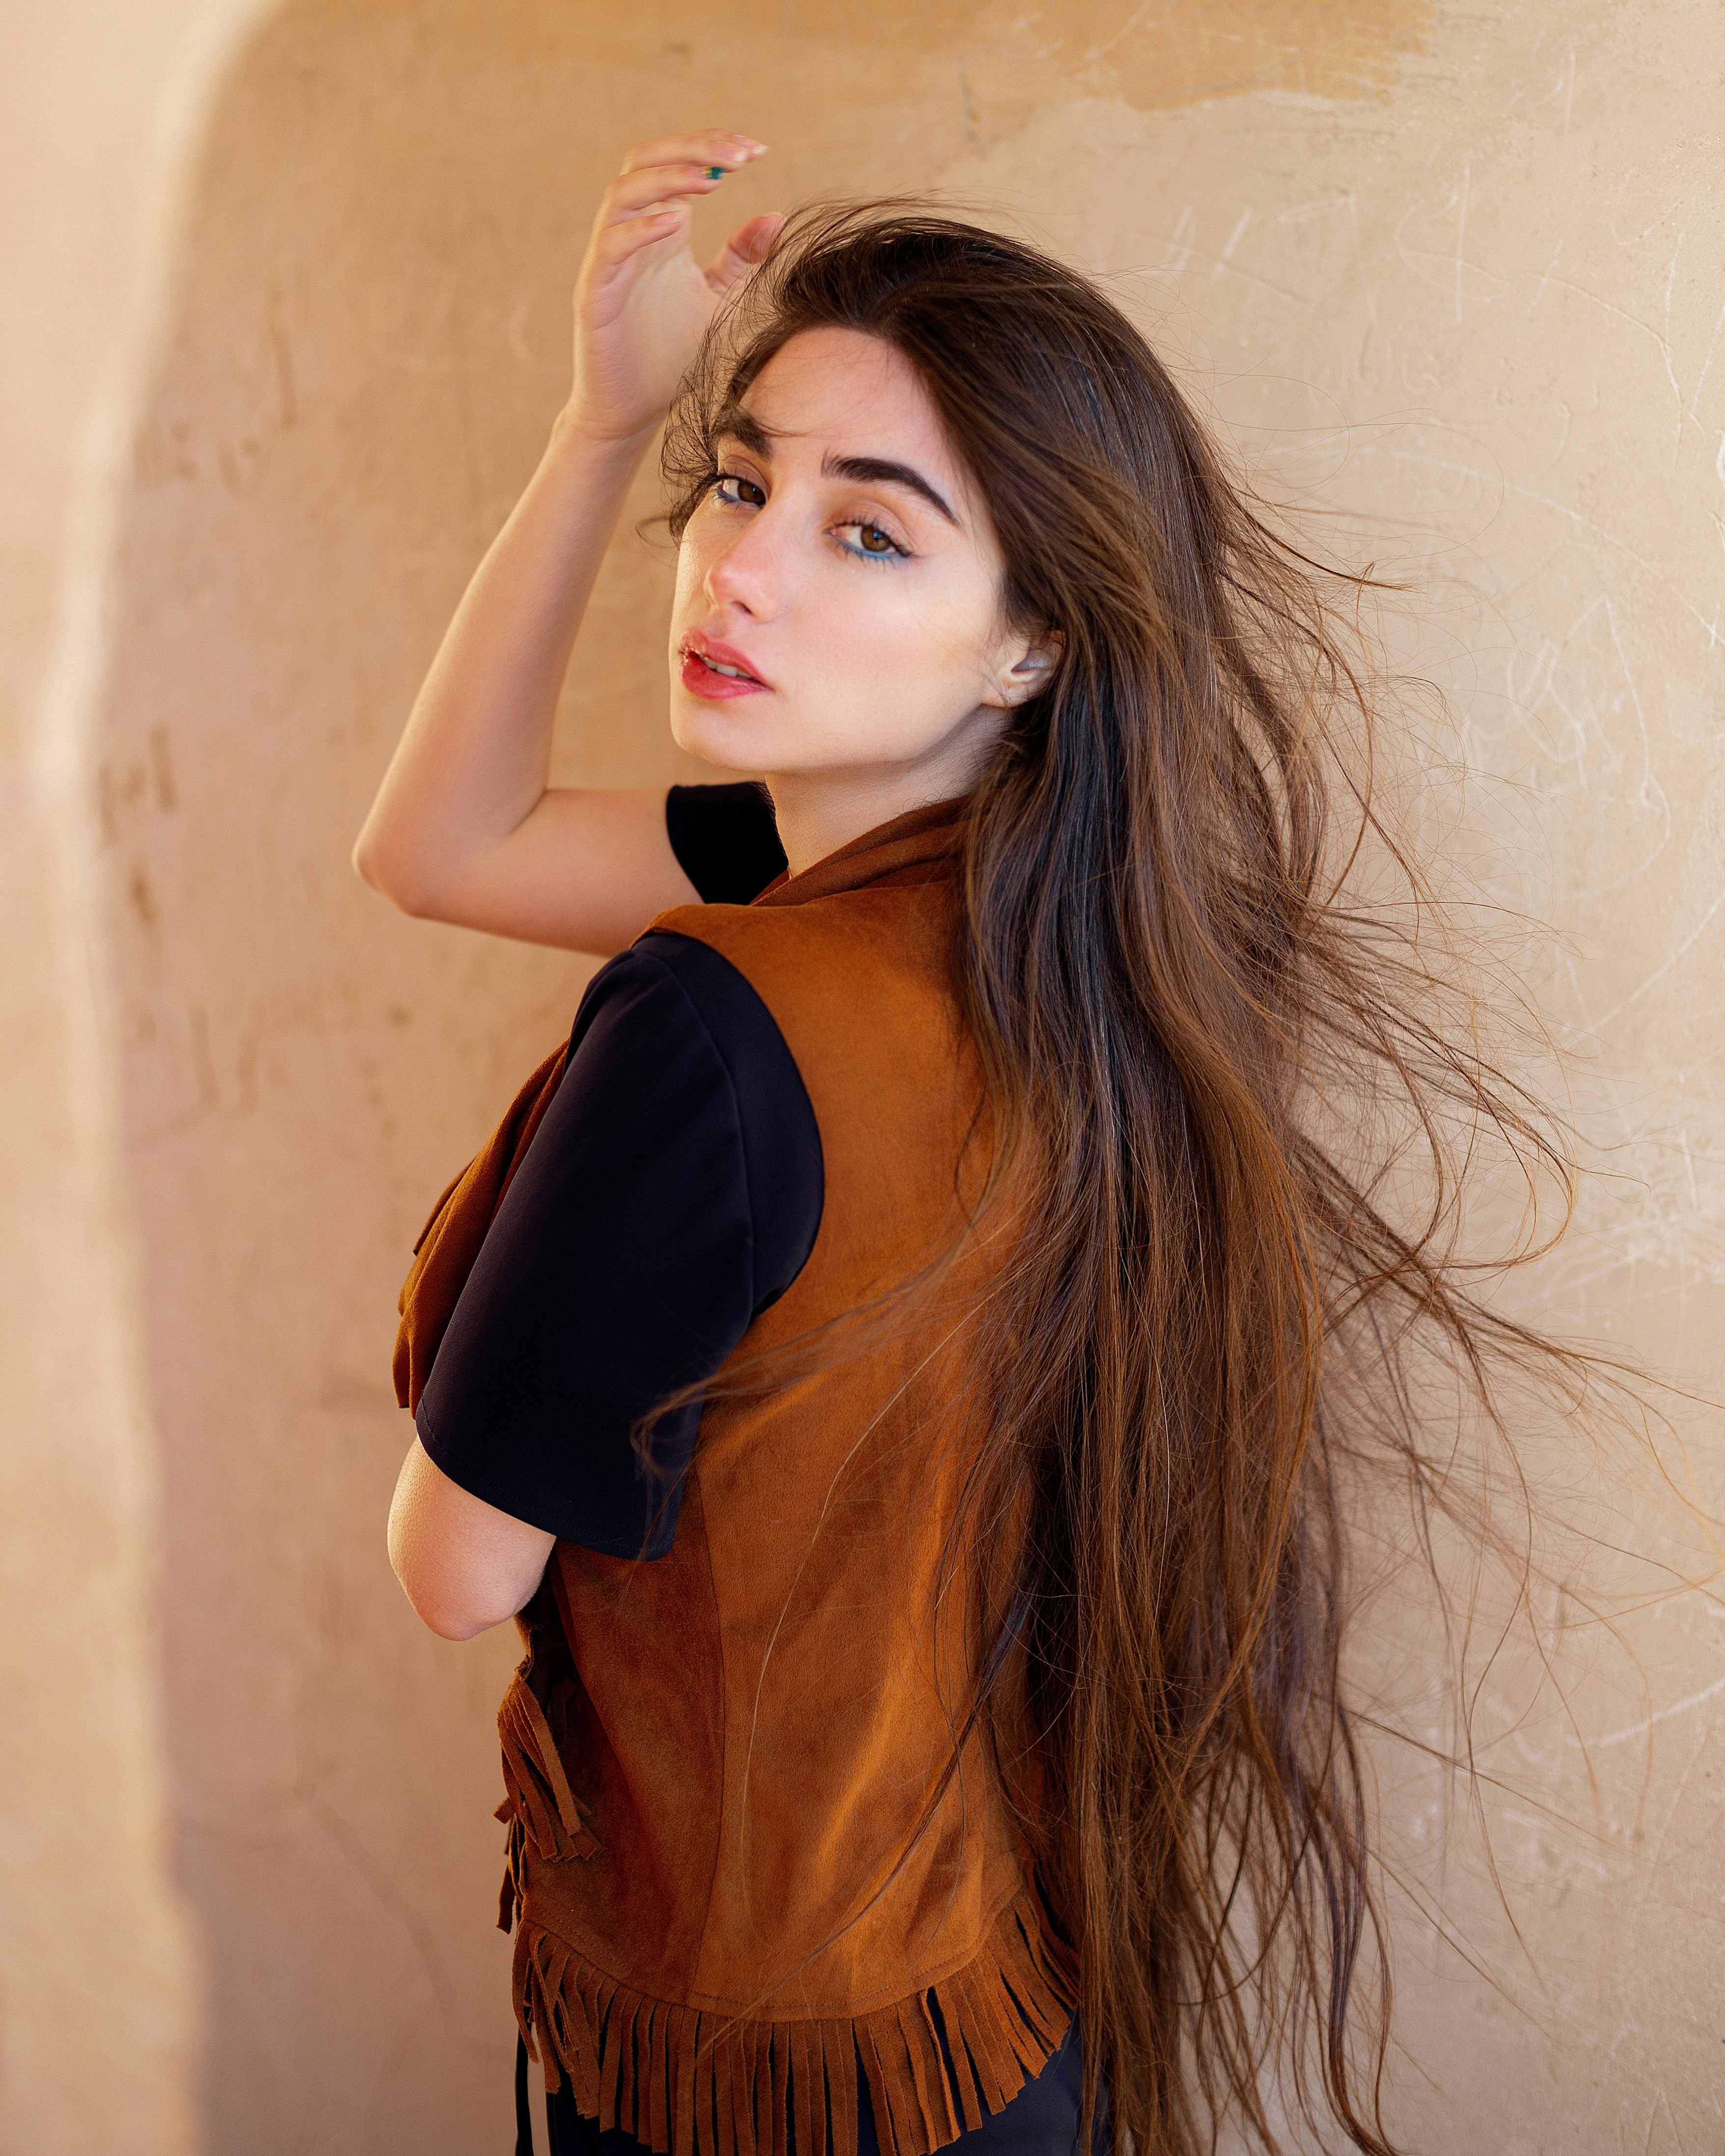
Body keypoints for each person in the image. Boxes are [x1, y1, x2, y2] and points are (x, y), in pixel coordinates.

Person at [355, 132, 1581, 2156]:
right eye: (740, 481)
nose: (742, 560)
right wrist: (604, 426)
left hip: (747, 2073)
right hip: (981, 2002)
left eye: (872, 533)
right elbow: (444, 848)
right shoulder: (1047, 923)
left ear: (1033, 643)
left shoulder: (714, 1020)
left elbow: (454, 1567)